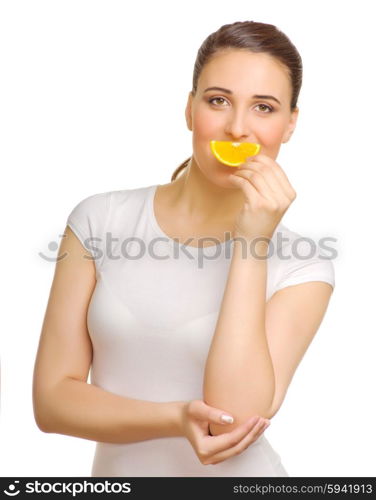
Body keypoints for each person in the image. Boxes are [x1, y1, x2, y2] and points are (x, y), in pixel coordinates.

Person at [32, 20, 335, 477]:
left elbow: (231, 419)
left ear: (290, 124)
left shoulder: (305, 266)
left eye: (264, 108)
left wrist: (252, 243)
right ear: (190, 109)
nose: (237, 128)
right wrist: (174, 418)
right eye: (218, 101)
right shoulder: (100, 220)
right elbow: (52, 401)